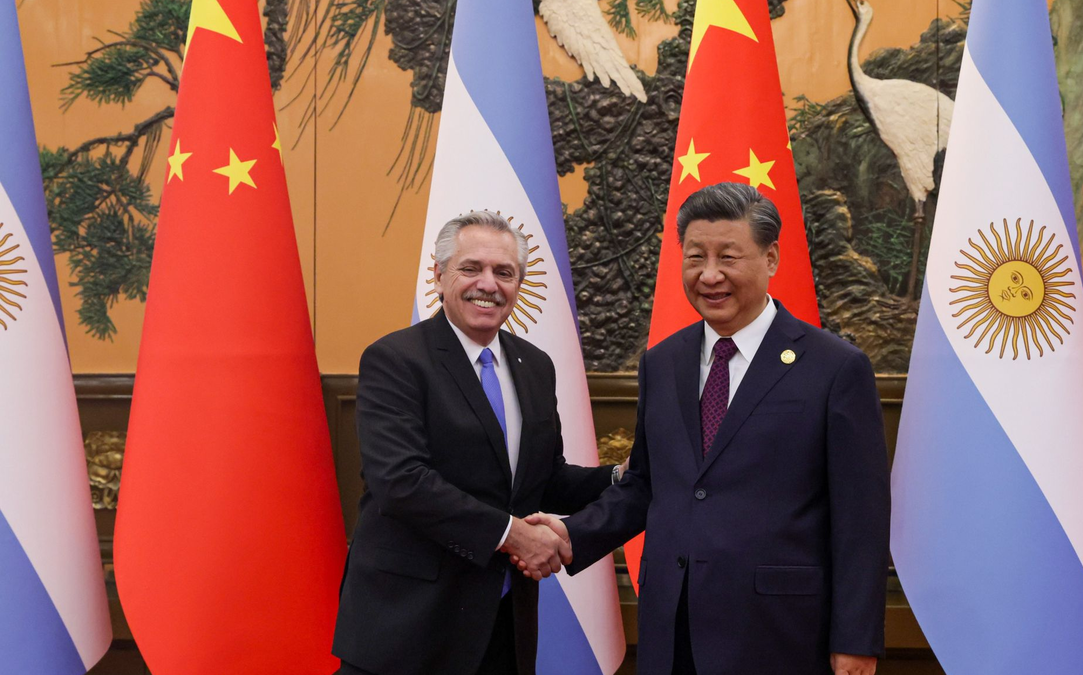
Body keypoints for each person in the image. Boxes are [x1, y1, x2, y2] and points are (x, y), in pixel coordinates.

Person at [522, 183, 890, 675]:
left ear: (772, 258)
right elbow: (649, 484)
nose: (710, 274)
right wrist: (570, 534)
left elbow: (860, 517)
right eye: (695, 257)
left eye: (728, 257)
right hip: (672, 628)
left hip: (781, 633)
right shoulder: (662, 361)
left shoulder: (834, 368)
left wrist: (856, 640)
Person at [333, 211, 621, 675]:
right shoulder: (395, 359)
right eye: (471, 268)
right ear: (440, 274)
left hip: (502, 621)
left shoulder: (534, 365)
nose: (488, 284)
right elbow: (402, 482)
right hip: (408, 625)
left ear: (519, 284)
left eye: (504, 272)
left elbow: (542, 480)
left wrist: (619, 476)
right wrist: (515, 536)